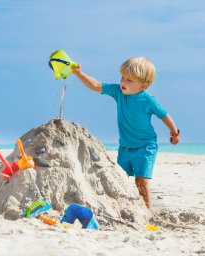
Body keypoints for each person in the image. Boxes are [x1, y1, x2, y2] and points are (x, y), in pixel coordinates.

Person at [72, 57, 179, 208]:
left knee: (141, 180)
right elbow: (96, 86)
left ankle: (147, 211)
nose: (123, 82)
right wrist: (79, 74)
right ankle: (120, 205)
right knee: (118, 178)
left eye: (129, 80)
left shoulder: (148, 101)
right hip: (125, 148)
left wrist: (175, 133)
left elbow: (164, 115)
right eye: (123, 77)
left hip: (146, 147)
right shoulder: (118, 92)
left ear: (144, 85)